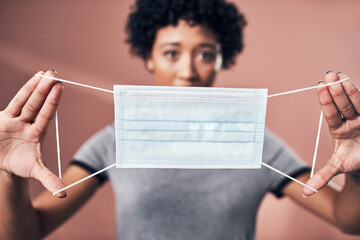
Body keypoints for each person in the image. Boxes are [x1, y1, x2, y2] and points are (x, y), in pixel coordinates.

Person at [1, 0, 360, 239]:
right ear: (149, 58)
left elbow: (348, 219)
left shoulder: (256, 144)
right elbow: (25, 232)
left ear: (223, 59)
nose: (187, 71)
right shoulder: (114, 141)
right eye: (171, 52)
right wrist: (7, 176)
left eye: (205, 53)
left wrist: (359, 172)